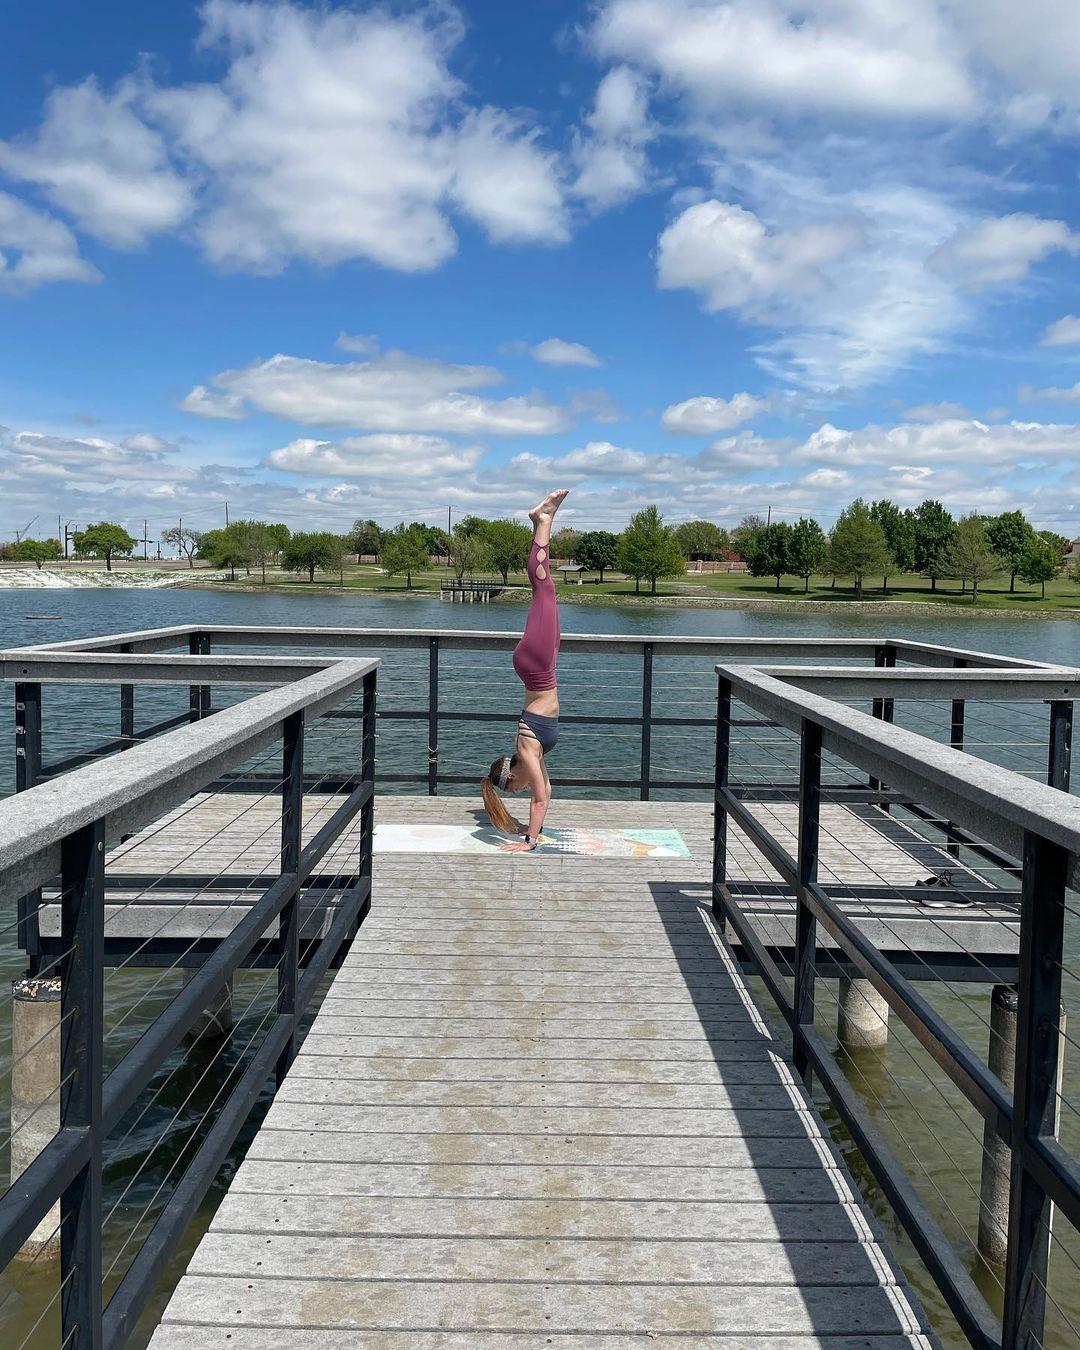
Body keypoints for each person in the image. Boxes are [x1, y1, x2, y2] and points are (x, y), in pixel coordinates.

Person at [481, 488, 569, 852]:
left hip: (536, 665)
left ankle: (542, 521)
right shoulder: (531, 752)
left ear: (510, 774)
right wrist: (522, 829)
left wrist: (529, 842)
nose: (520, 790)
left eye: (513, 788)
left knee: (543, 589)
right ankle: (543, 521)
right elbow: (545, 792)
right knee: (544, 591)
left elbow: (538, 798)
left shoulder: (527, 749)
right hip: (538, 667)